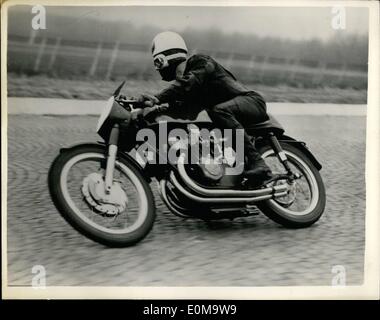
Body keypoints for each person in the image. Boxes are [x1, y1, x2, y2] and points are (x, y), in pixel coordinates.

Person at [136, 31, 272, 186]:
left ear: (168, 58)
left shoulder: (201, 62)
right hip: (229, 114)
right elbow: (179, 110)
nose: (158, 68)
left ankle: (259, 163)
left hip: (251, 101)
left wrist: (157, 98)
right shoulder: (185, 87)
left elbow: (187, 83)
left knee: (219, 110)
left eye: (158, 63)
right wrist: (148, 111)